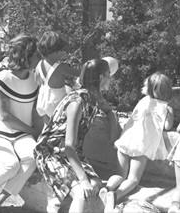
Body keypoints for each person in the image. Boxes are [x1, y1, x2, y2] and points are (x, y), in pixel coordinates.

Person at [33, 58, 121, 213]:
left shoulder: (94, 98)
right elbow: (68, 146)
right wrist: (82, 179)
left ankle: (55, 204)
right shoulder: (77, 102)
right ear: (101, 77)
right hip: (51, 153)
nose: (110, 79)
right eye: (109, 75)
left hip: (73, 154)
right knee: (82, 191)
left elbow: (108, 111)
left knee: (95, 186)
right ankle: (58, 200)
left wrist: (113, 121)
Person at [0, 34, 41, 213]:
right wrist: (32, 131)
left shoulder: (35, 80)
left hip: (22, 136)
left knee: (33, 159)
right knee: (11, 165)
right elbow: (5, 117)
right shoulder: (3, 78)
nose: (40, 59)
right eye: (37, 55)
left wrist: (38, 133)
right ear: (25, 55)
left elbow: (35, 111)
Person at [100, 72, 174, 212]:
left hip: (125, 140)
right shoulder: (164, 107)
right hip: (140, 146)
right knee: (133, 179)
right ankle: (115, 196)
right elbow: (167, 127)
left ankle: (107, 188)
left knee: (120, 175)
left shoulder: (143, 101)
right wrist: (171, 114)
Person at [35, 31, 80, 125]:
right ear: (55, 52)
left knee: (47, 128)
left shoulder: (39, 65)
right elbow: (77, 73)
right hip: (56, 103)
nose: (63, 54)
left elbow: (37, 81)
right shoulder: (60, 67)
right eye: (62, 51)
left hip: (42, 101)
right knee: (60, 127)